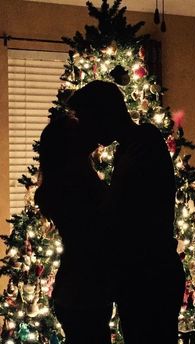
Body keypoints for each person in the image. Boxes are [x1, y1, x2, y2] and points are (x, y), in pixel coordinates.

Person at [67, 80, 186, 343]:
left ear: (104, 114)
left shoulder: (143, 145)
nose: (88, 129)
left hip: (151, 278)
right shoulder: (130, 148)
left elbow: (118, 211)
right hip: (143, 276)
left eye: (87, 119)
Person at [35, 115, 113, 344]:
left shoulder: (71, 181)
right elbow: (95, 234)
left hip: (76, 289)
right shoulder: (75, 187)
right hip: (83, 290)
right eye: (77, 129)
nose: (86, 130)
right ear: (69, 145)